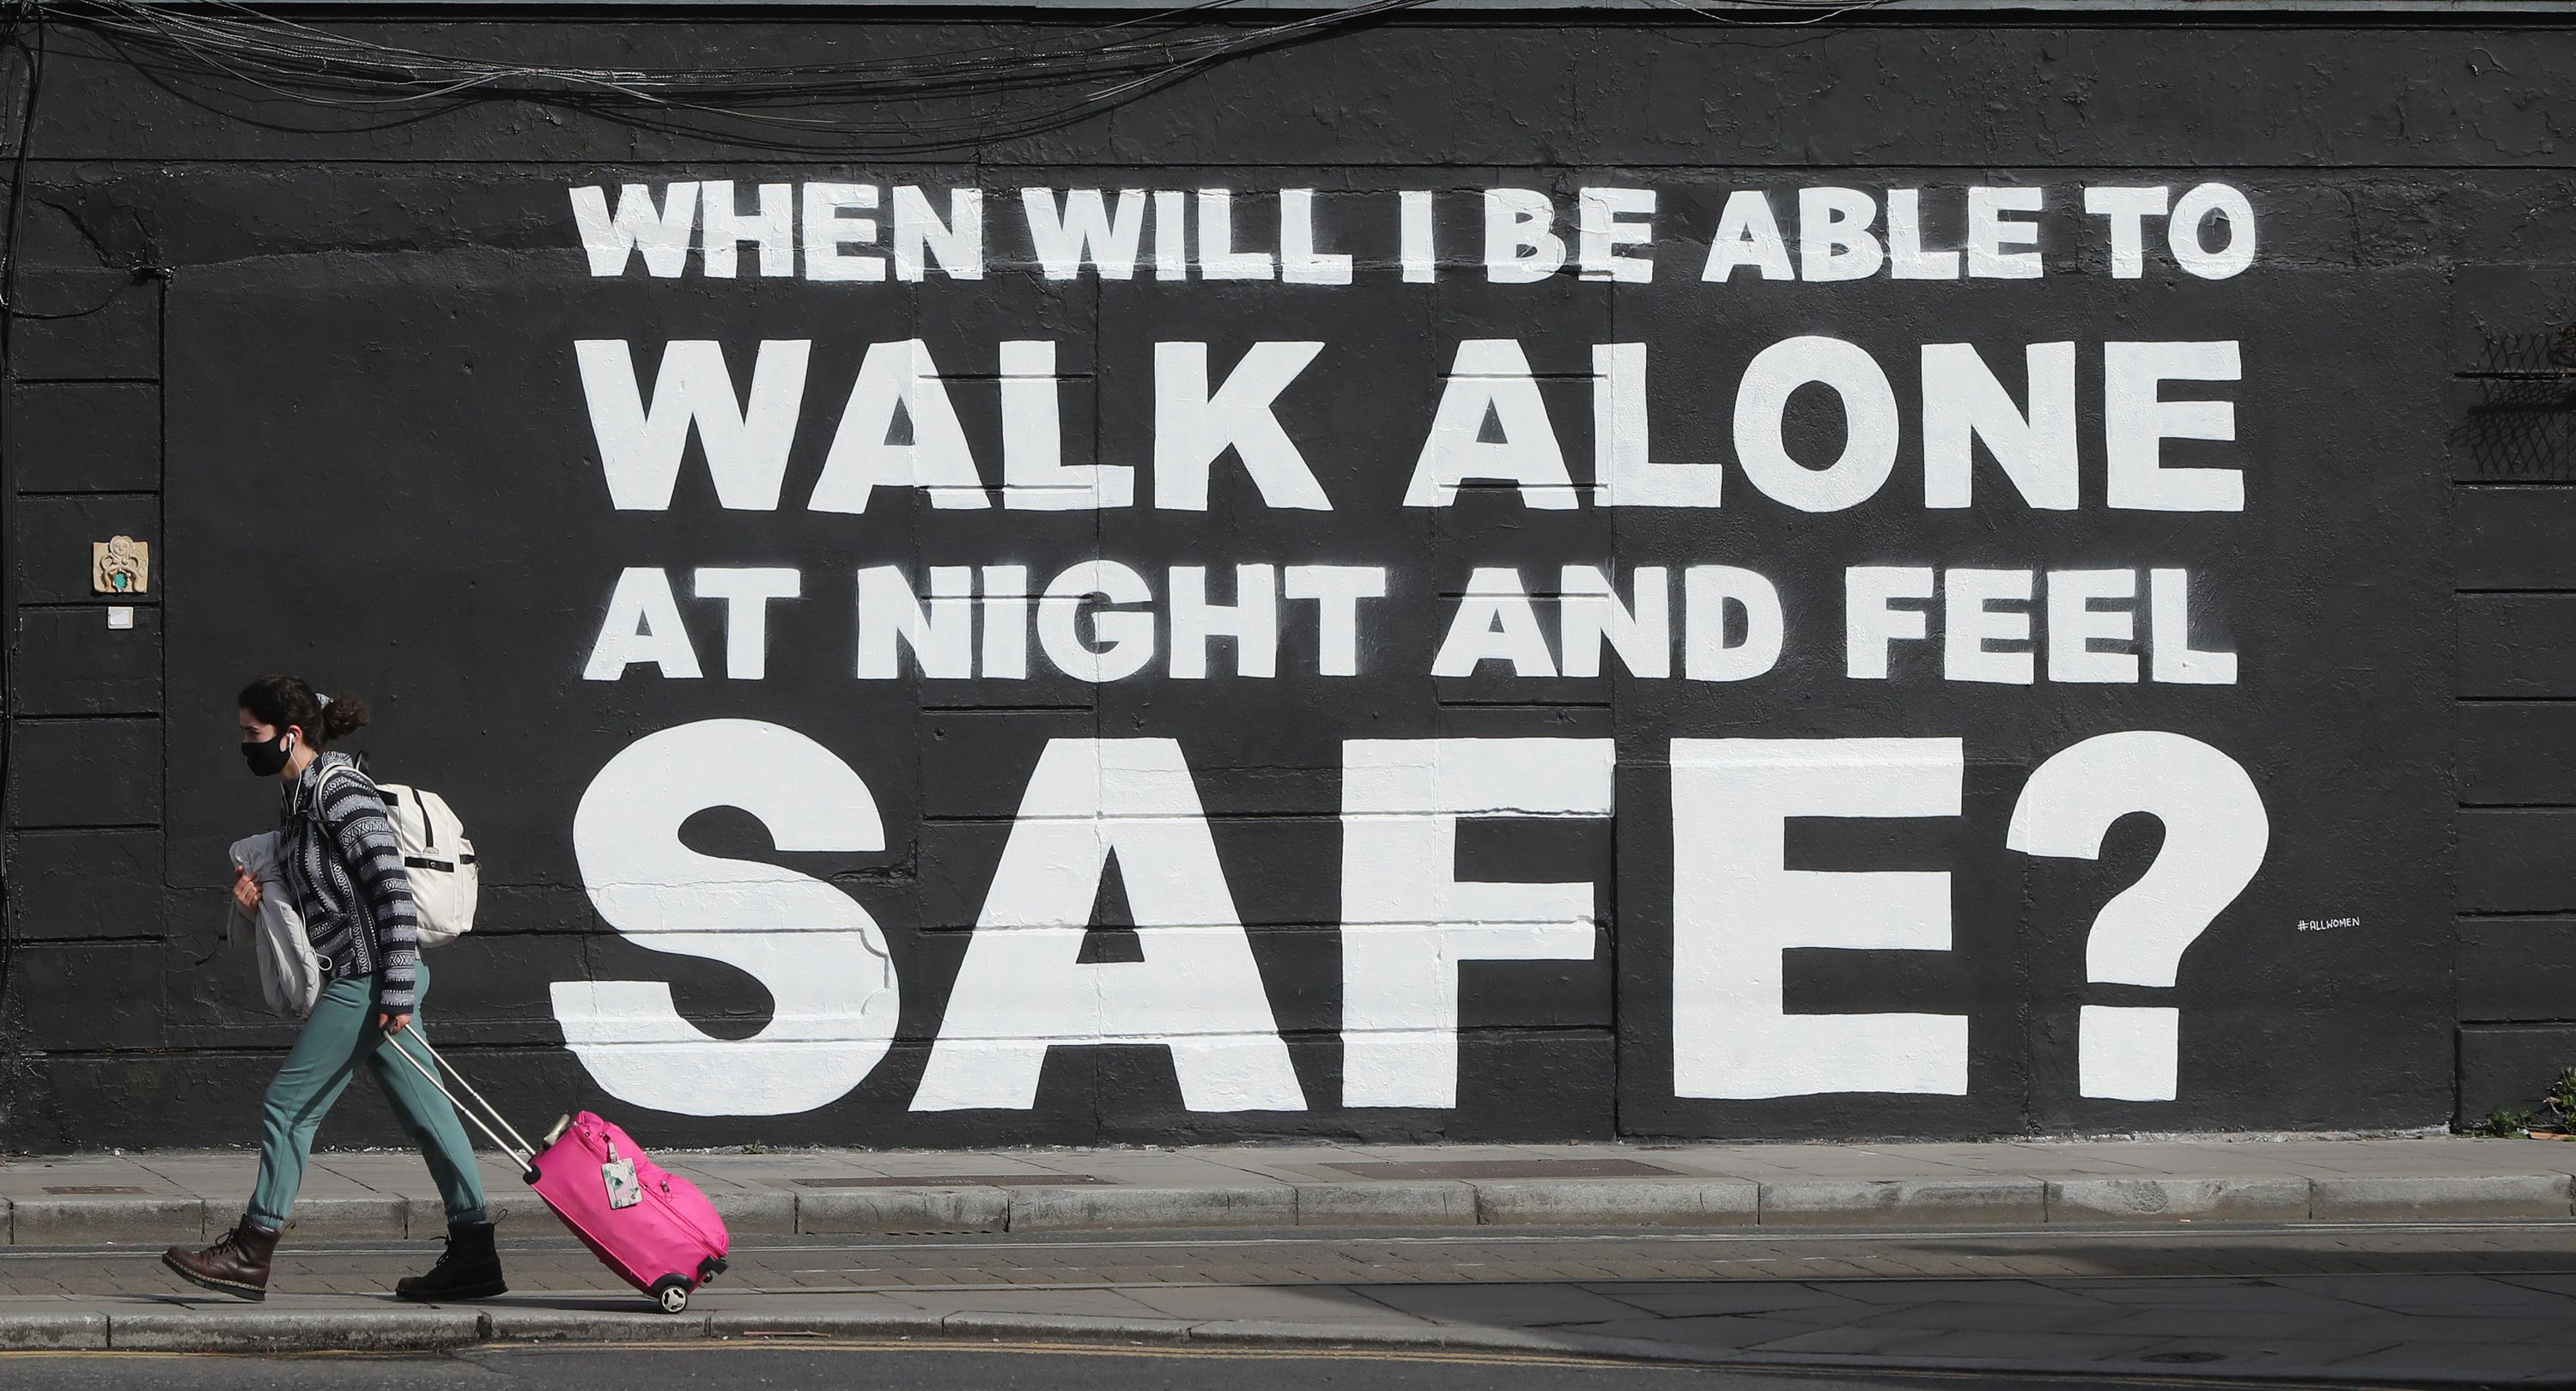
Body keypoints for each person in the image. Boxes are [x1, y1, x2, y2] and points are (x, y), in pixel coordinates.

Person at [161, 675, 506, 1303]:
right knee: (429, 1116)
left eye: (252, 733)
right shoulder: (298, 798)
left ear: (290, 734)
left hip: (369, 979)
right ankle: (476, 1252)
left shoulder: (339, 792)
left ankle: (251, 1250)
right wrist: (253, 903)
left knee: (288, 1108)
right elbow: (320, 895)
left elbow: (392, 894)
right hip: (367, 976)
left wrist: (398, 991)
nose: (244, 745)